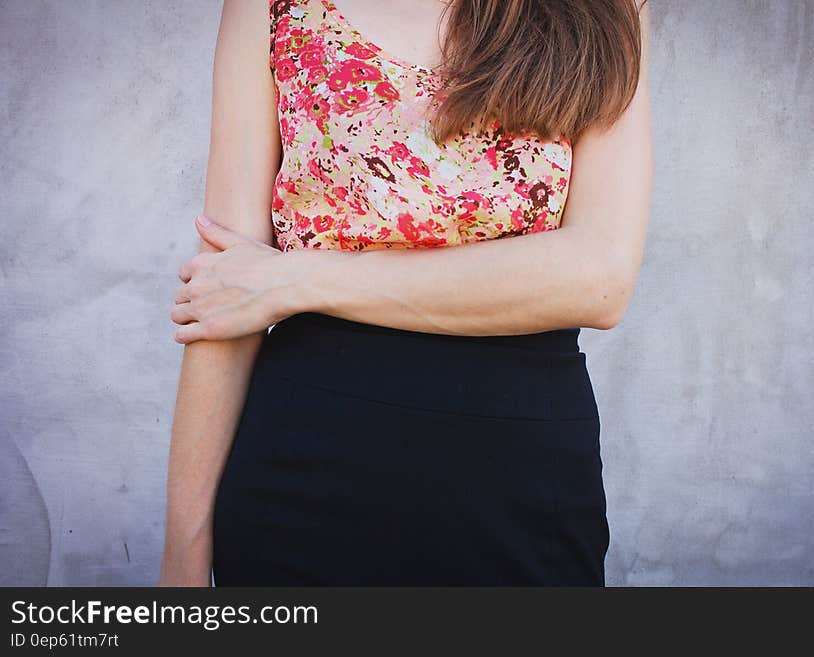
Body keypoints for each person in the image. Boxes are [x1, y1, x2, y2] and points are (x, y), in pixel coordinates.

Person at [159, 0, 652, 587]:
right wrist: (183, 553)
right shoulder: (270, 8)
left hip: (519, 478)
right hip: (301, 471)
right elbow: (227, 291)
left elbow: (598, 280)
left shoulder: (605, 8)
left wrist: (297, 277)